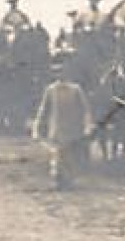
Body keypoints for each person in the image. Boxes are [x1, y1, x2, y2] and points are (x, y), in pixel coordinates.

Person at [32, 60, 92, 189]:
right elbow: (43, 110)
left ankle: (68, 180)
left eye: (62, 72)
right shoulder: (51, 90)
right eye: (57, 72)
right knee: (58, 155)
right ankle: (59, 180)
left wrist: (87, 126)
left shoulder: (76, 89)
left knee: (70, 156)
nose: (60, 75)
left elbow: (85, 109)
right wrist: (36, 127)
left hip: (73, 129)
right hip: (57, 128)